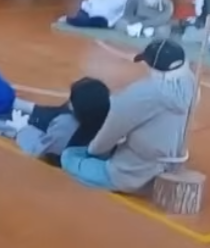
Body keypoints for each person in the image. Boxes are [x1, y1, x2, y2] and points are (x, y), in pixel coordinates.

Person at [59, 39, 195, 194]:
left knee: (69, 156)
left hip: (132, 173)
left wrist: (92, 152)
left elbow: (106, 139)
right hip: (172, 162)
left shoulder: (141, 94)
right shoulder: (191, 85)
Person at [15, 78, 112, 165]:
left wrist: (22, 129)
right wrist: (29, 107)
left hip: (61, 157)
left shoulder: (67, 125)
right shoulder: (108, 115)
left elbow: (39, 149)